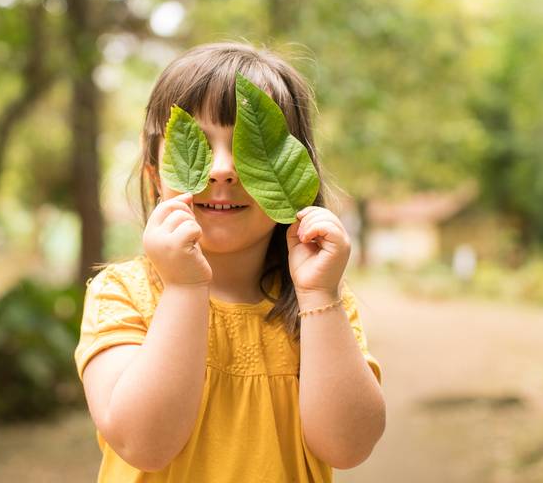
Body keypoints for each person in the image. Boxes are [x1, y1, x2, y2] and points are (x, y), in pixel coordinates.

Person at [74, 41, 385, 482]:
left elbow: (349, 446)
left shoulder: (318, 305)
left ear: (296, 171)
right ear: (154, 177)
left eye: (250, 145)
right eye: (196, 144)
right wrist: (184, 287)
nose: (221, 169)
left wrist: (320, 295)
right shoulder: (123, 293)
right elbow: (143, 442)